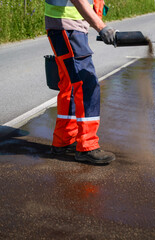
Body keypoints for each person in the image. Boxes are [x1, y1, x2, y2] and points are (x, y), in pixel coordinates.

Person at [45, 0, 116, 164]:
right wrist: (101, 26)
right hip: (67, 28)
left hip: (66, 27)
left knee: (70, 85)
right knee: (87, 84)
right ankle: (87, 146)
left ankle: (63, 140)